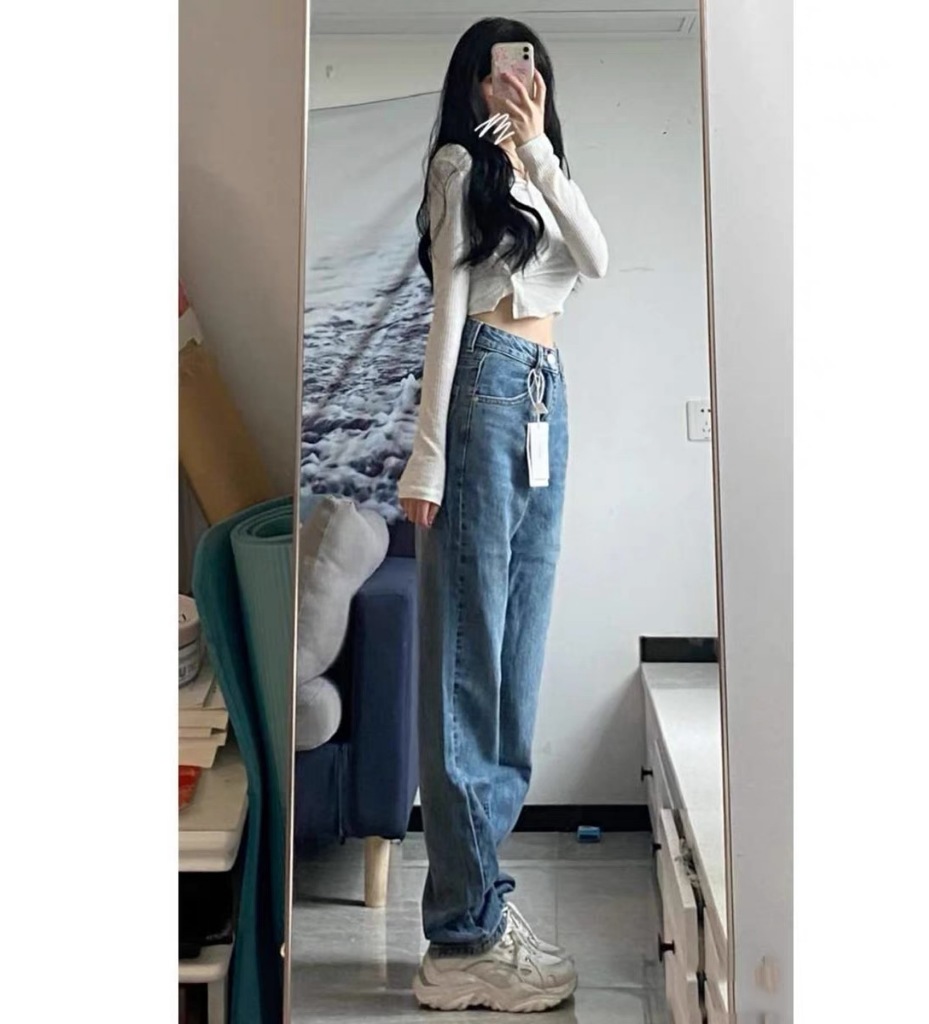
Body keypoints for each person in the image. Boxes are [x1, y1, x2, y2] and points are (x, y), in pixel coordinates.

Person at [397, 17, 608, 1013]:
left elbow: (597, 258)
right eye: (496, 74)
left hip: (543, 397)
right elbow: (447, 308)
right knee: (467, 660)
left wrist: (539, 155)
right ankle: (460, 938)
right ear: (471, 86)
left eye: (527, 70)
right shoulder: (456, 167)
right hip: (483, 388)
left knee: (516, 661)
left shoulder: (542, 167)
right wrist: (427, 454)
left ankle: (480, 903)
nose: (514, 85)